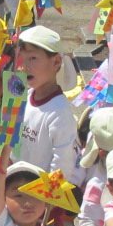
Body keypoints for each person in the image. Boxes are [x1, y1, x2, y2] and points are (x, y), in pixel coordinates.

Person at [12, 26, 81, 178]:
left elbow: (62, 164)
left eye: (32, 58)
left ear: (56, 62)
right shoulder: (24, 97)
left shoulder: (59, 112)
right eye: (20, 58)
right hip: (18, 185)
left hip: (41, 194)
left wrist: (48, 198)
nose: (24, 66)